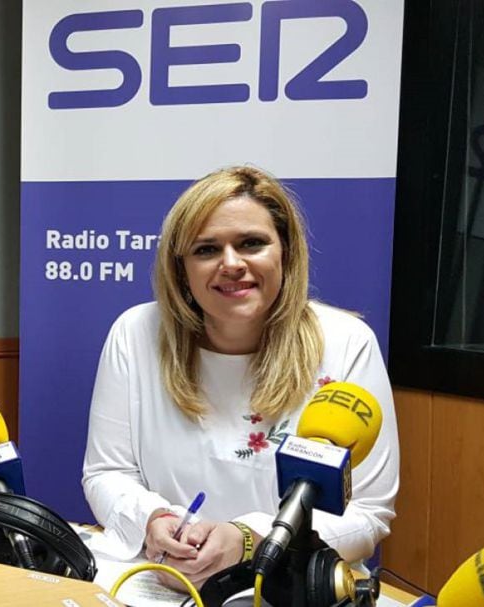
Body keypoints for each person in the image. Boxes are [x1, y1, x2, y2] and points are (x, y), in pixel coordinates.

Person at [81, 166, 399, 590]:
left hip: (292, 588)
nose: (231, 264)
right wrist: (153, 518)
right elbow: (107, 472)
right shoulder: (136, 333)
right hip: (165, 583)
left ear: (284, 252)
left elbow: (369, 511)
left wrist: (249, 540)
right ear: (181, 269)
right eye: (207, 249)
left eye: (252, 243)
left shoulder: (345, 344)